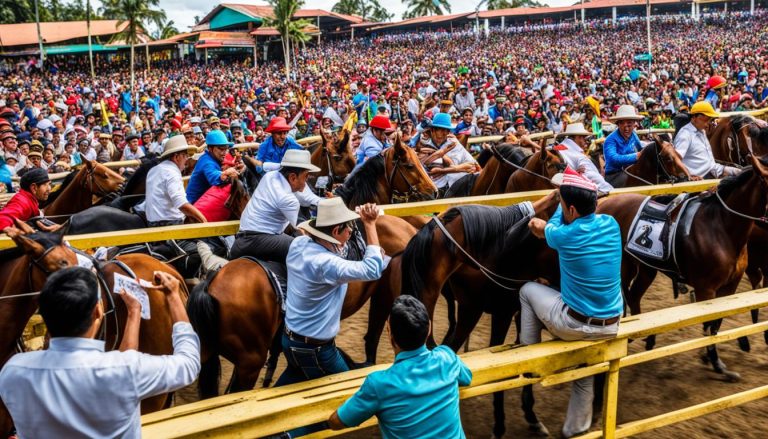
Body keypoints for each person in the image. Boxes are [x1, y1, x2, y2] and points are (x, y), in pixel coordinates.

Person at [0, 267, 200, 438]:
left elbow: (120, 365)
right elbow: (189, 363)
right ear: (97, 312)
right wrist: (174, 297)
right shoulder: (125, 371)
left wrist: (134, 315)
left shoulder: (13, 371)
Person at [523, 166, 623, 438]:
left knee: (528, 289)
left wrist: (558, 199)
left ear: (572, 210)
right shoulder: (611, 224)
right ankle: (574, 430)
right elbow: (568, 216)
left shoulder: (564, 234)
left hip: (575, 324)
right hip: (611, 325)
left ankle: (527, 356)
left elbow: (546, 225)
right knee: (585, 374)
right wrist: (568, 195)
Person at [328, 295, 473, 438]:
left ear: (390, 334)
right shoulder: (447, 358)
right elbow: (467, 378)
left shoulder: (378, 384)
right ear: (429, 330)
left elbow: (337, 422)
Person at [276, 198, 384, 387]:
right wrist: (370, 223)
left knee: (289, 385)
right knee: (346, 390)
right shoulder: (327, 264)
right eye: (348, 227)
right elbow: (372, 269)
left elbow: (332, 251)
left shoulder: (299, 244)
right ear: (335, 232)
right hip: (315, 349)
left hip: (291, 340)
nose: (351, 231)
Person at [231, 149, 322, 262]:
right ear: (293, 177)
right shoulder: (289, 200)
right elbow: (300, 229)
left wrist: (323, 202)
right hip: (258, 240)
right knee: (308, 248)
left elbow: (306, 196)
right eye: (306, 176)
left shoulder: (270, 176)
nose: (307, 180)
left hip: (241, 240)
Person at [138, 135, 207, 227]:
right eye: (185, 156)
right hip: (170, 223)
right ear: (176, 157)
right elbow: (181, 203)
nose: (187, 159)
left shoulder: (153, 170)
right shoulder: (172, 173)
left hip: (151, 222)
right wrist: (203, 220)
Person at [674, 101, 739, 178]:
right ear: (694, 118)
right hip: (700, 178)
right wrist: (689, 176)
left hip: (714, 170)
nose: (708, 124)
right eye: (706, 120)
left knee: (744, 173)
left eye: (710, 120)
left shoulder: (702, 131)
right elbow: (675, 159)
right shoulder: (685, 134)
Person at [554, 123, 613, 193]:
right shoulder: (578, 156)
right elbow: (592, 176)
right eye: (583, 137)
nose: (585, 140)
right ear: (577, 137)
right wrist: (610, 190)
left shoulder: (560, 147)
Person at [186, 129, 239, 203]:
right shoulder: (207, 162)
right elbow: (213, 176)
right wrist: (224, 174)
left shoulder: (213, 158)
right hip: (195, 205)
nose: (224, 153)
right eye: (221, 149)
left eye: (226, 149)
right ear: (210, 149)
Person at [603, 105, 645, 187]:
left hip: (630, 170)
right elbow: (613, 158)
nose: (626, 128)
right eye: (622, 123)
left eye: (629, 124)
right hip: (614, 175)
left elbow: (640, 149)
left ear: (634, 124)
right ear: (618, 124)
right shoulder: (610, 140)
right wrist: (635, 156)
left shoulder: (633, 135)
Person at [0, 168, 51, 232]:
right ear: (34, 188)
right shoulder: (22, 201)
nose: (49, 188)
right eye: (45, 185)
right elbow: (2, 218)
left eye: (49, 184)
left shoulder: (30, 200)